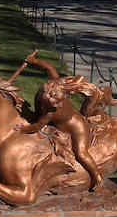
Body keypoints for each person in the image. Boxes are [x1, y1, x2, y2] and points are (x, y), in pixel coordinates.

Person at [10, 51, 107, 189]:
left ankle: (96, 176)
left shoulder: (50, 111)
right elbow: (49, 68)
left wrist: (24, 129)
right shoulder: (55, 84)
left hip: (76, 127)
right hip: (62, 120)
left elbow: (37, 125)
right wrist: (34, 61)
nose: (58, 105)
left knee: (81, 153)